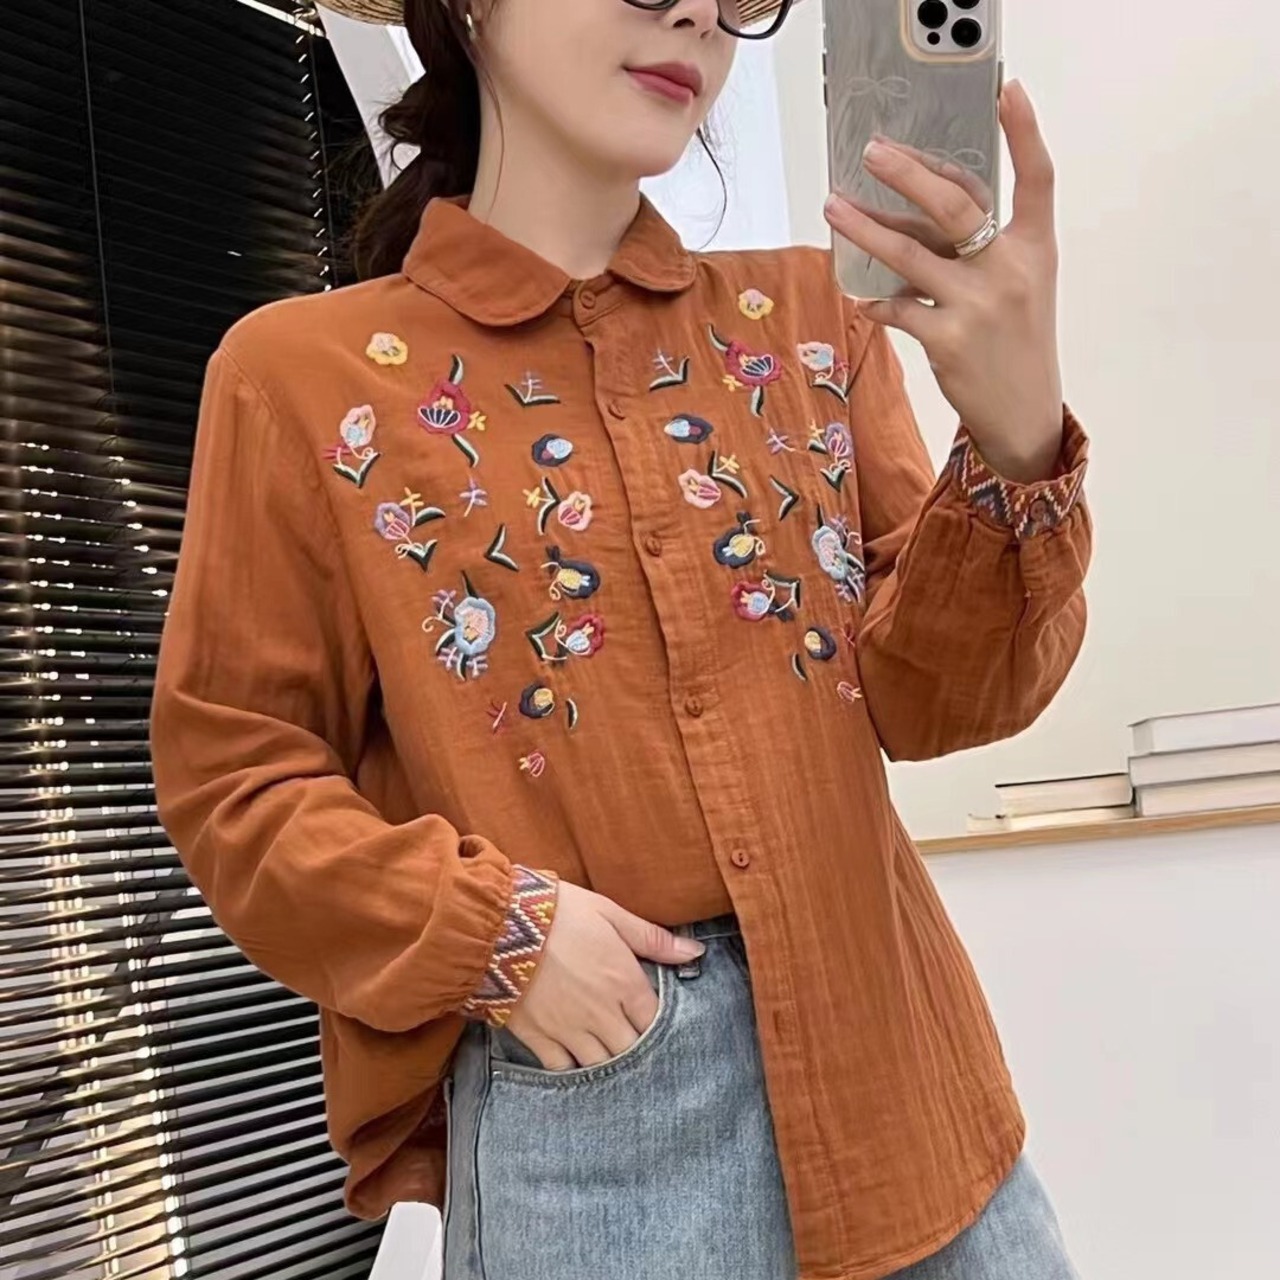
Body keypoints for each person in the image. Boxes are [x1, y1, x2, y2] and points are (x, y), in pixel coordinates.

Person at [149, 0, 1091, 1276]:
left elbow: (938, 700)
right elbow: (236, 776)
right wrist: (499, 933)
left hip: (911, 1094)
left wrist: (1017, 443)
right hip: (599, 1115)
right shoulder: (305, 378)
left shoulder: (815, 322)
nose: (696, 12)